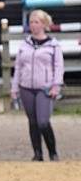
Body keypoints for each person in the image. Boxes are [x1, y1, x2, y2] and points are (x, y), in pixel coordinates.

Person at [11, 9, 64, 161]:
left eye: (37, 22)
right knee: (32, 121)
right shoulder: (24, 45)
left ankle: (52, 152)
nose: (33, 25)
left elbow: (59, 67)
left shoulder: (53, 46)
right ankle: (37, 153)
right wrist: (15, 88)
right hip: (26, 87)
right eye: (31, 22)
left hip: (45, 88)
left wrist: (56, 86)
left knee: (43, 121)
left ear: (44, 24)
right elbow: (18, 67)